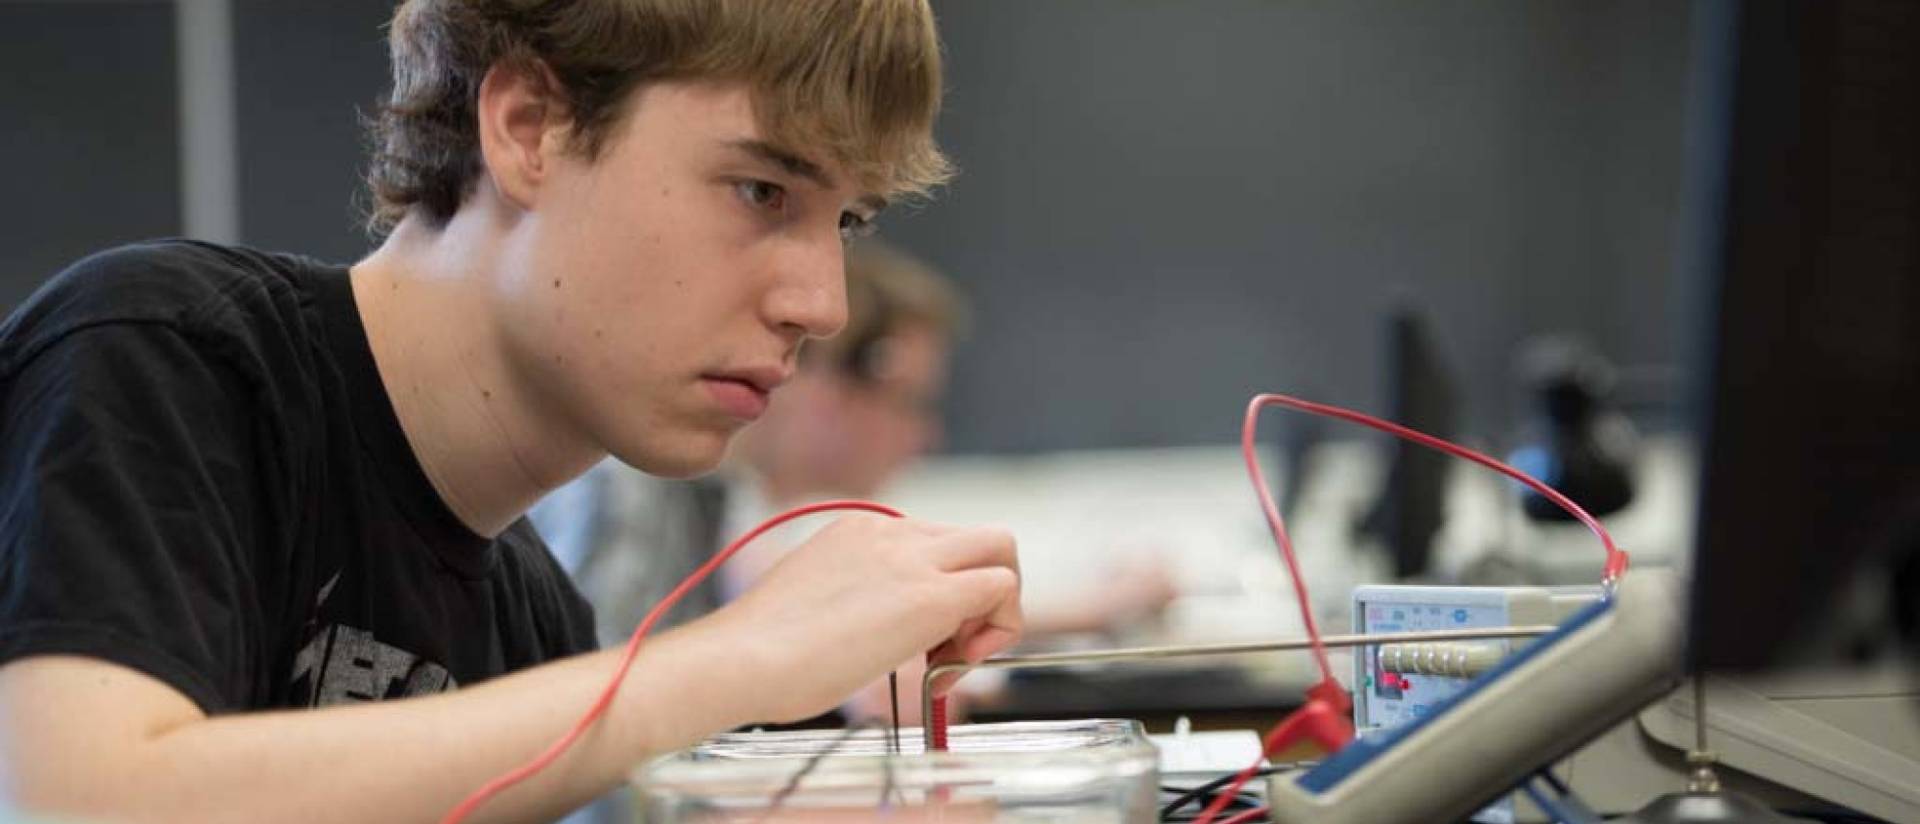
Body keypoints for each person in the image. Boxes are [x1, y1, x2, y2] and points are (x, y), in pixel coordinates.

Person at [0, 2, 1022, 823]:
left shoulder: (533, 621)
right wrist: (734, 657)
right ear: (530, 127)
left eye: (843, 220)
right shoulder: (165, 354)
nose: (824, 303)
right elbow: (83, 800)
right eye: (762, 190)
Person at [536, 241, 1175, 728]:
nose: (925, 437)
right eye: (913, 402)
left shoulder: (724, 495)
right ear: (825, 391)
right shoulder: (623, 485)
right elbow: (591, 734)